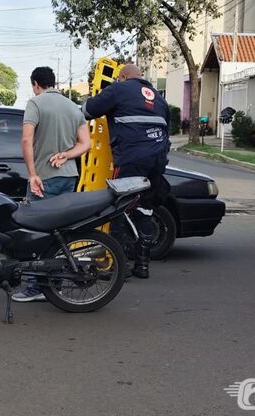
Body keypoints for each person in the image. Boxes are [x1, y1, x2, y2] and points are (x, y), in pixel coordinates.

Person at [82, 64, 171, 279]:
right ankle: (142, 265)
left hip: (131, 159)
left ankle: (116, 268)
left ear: (122, 77)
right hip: (157, 161)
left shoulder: (119, 89)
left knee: (119, 208)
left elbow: (88, 110)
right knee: (145, 209)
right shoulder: (159, 99)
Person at [11, 66, 91, 303]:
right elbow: (86, 144)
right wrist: (67, 155)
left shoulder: (35, 103)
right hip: (68, 176)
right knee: (60, 232)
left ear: (36, 84)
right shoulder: (72, 107)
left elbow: (26, 139)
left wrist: (32, 174)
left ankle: (36, 287)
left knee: (36, 233)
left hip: (44, 178)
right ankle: (54, 283)